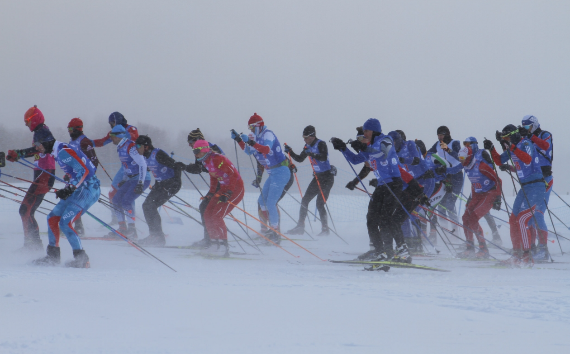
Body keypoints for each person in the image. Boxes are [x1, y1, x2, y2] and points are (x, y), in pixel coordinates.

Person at [331, 118, 410, 262]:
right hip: (382, 186)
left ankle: (403, 252)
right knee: (371, 220)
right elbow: (355, 160)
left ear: (374, 130)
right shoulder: (371, 145)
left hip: (393, 183)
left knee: (386, 220)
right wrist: (343, 148)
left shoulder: (385, 140)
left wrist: (363, 148)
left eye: (366, 131)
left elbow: (382, 153)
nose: (364, 133)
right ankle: (380, 254)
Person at [32, 129, 100, 268]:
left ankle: (82, 259)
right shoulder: (58, 152)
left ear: (46, 141)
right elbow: (75, 171)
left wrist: (70, 188)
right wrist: (68, 182)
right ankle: (53, 256)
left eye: (38, 144)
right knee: (52, 217)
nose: (37, 147)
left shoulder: (63, 152)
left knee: (65, 222)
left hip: (88, 188)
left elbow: (84, 171)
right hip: (79, 187)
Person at [484, 124, 546, 267]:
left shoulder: (525, 143)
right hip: (525, 187)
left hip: (536, 186)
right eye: (504, 138)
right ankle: (516, 254)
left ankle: (527, 255)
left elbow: (528, 160)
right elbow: (499, 160)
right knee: (513, 220)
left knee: (523, 220)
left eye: (507, 137)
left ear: (513, 135)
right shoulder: (513, 147)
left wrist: (511, 147)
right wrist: (492, 148)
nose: (505, 140)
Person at [230, 113, 291, 244]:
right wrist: (239, 140)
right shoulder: (259, 137)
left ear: (258, 126)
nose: (251, 130)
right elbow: (248, 151)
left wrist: (250, 141)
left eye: (251, 127)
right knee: (261, 201)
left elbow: (266, 149)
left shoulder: (268, 134)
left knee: (270, 203)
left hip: (281, 171)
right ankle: (271, 227)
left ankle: (275, 231)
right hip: (273, 173)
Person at [6, 105, 56, 251]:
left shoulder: (43, 131)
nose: (26, 124)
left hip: (45, 175)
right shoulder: (39, 132)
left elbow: (44, 148)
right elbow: (37, 153)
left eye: (27, 120)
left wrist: (20, 153)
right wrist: (17, 156)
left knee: (25, 210)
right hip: (42, 175)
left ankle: (32, 245)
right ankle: (33, 244)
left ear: (34, 119)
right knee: (27, 210)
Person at [192, 140, 244, 257]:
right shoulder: (206, 161)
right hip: (224, 188)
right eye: (193, 151)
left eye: (196, 151)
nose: (195, 154)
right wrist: (211, 192)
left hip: (235, 188)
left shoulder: (218, 159)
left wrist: (229, 192)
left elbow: (233, 175)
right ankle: (214, 244)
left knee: (217, 216)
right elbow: (214, 177)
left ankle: (223, 247)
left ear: (204, 149)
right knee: (207, 214)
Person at [284, 125, 335, 236]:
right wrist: (290, 152)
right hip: (317, 177)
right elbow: (300, 159)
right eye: (303, 137)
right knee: (305, 200)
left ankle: (325, 229)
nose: (304, 139)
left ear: (312, 136)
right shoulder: (307, 146)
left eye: (306, 137)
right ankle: (300, 226)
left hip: (327, 177)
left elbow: (323, 157)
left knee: (320, 203)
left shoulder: (321, 143)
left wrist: (311, 154)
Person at [135, 135, 186, 246]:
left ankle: (157, 236)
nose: (136, 148)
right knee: (147, 206)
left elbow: (176, 166)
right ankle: (155, 235)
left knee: (150, 206)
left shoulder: (158, 154)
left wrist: (176, 182)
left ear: (146, 147)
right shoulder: (146, 156)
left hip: (171, 183)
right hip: (160, 184)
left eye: (138, 145)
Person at [457, 138, 502, 259]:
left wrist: (498, 198)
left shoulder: (481, 165)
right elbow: (473, 182)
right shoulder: (466, 165)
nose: (461, 162)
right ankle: (470, 247)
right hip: (477, 194)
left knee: (473, 217)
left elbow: (498, 180)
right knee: (465, 217)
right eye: (460, 159)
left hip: (489, 193)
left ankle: (483, 249)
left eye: (463, 159)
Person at [93, 112, 139, 225]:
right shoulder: (114, 132)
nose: (111, 126)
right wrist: (88, 143)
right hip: (125, 167)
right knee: (113, 192)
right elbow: (103, 141)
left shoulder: (130, 129)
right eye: (110, 124)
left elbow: (134, 139)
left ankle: (131, 223)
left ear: (117, 121)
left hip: (133, 168)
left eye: (112, 123)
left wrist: (120, 133)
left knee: (127, 195)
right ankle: (117, 219)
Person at [519, 115, 553, 260]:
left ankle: (543, 249)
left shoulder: (545, 134)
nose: (526, 129)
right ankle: (531, 246)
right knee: (529, 214)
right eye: (524, 127)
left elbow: (546, 146)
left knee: (538, 212)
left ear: (533, 125)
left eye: (527, 126)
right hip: (533, 178)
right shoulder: (527, 139)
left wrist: (530, 136)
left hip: (545, 178)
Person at [108, 125, 150, 239]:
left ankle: (132, 229)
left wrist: (141, 183)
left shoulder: (130, 147)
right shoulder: (120, 147)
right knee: (116, 199)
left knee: (127, 201)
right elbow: (126, 165)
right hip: (131, 178)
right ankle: (122, 228)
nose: (110, 138)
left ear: (118, 136)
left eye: (112, 136)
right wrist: (124, 179)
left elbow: (142, 164)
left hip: (141, 178)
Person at [185, 128, 225, 248]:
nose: (189, 145)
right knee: (205, 207)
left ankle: (212, 240)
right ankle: (211, 239)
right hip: (217, 182)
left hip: (224, 182)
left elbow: (217, 166)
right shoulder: (199, 150)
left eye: (190, 142)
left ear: (197, 139)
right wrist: (184, 167)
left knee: (206, 208)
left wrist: (188, 167)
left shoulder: (211, 148)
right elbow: (199, 168)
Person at [66, 118, 100, 237]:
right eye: (68, 129)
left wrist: (86, 177)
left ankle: (77, 227)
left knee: (76, 202)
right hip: (74, 177)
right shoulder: (71, 142)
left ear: (77, 129)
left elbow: (94, 162)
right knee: (69, 200)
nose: (69, 131)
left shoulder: (84, 142)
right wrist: (68, 173)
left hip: (84, 179)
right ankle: (75, 225)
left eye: (70, 129)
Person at [427, 126, 464, 225]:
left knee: (450, 204)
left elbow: (459, 158)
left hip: (456, 176)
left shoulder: (454, 143)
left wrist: (448, 149)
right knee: (441, 204)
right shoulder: (438, 144)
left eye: (442, 135)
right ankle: (446, 227)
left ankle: (455, 228)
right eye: (438, 135)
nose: (440, 138)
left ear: (447, 134)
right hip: (445, 176)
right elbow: (429, 153)